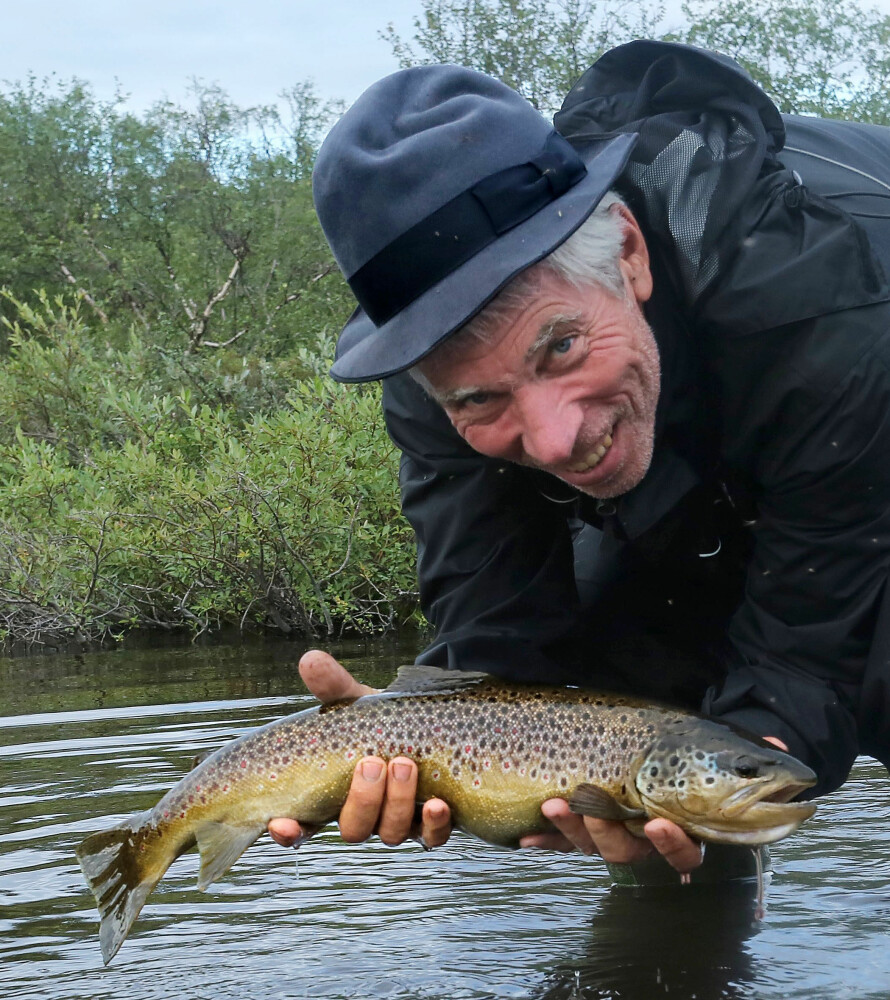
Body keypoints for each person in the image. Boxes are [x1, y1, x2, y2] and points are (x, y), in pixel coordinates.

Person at [269, 40, 890, 877]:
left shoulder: (817, 301)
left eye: (560, 348)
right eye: (480, 399)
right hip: (720, 440)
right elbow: (499, 634)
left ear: (627, 252)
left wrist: (771, 733)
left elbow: (816, 628)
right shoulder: (436, 375)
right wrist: (413, 739)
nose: (555, 439)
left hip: (867, 397)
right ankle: (686, 916)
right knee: (637, 716)